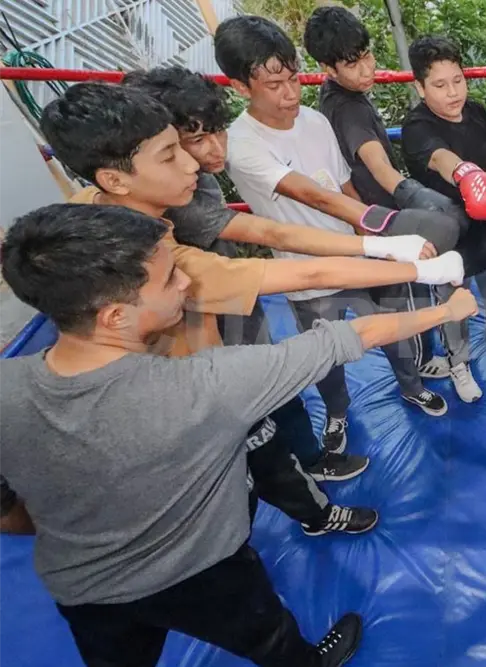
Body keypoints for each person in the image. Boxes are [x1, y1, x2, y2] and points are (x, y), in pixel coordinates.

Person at [0, 202, 477, 667]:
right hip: (207, 575)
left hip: (83, 593)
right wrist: (448, 308)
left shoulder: (7, 388)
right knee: (274, 644)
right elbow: (353, 337)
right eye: (170, 278)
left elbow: (8, 516)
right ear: (114, 316)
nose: (187, 282)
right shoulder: (209, 384)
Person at [39, 81, 463, 536]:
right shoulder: (161, 262)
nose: (194, 161)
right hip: (187, 416)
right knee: (221, 507)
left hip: (200, 385)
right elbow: (304, 271)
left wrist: (384, 245)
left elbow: (274, 236)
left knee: (268, 448)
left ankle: (313, 515)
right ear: (114, 178)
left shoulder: (93, 215)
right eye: (172, 153)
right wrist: (416, 270)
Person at [121, 65, 414, 480]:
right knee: (265, 401)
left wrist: (374, 239)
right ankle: (306, 477)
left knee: (275, 389)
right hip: (209, 340)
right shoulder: (152, 228)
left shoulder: (188, 184)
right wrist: (381, 241)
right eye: (188, 145)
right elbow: (269, 232)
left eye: (217, 131)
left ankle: (311, 466)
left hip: (234, 314)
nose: (215, 150)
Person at [215, 15, 453, 423]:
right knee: (326, 354)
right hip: (306, 272)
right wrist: (388, 234)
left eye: (292, 78)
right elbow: (313, 195)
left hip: (359, 253)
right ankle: (338, 416)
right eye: (274, 86)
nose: (290, 93)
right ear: (241, 87)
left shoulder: (316, 121)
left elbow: (343, 188)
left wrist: (373, 238)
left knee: (395, 324)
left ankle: (412, 387)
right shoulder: (241, 144)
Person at [304, 5, 466, 380]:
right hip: (379, 221)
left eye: (366, 56)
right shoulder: (348, 110)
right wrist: (413, 194)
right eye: (352, 64)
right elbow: (376, 163)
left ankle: (416, 361)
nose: (367, 69)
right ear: (329, 70)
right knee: (406, 292)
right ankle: (418, 368)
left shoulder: (340, 95)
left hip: (370, 216)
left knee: (404, 289)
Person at [401, 35, 486, 403]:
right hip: (447, 227)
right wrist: (466, 175)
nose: (452, 92)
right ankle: (458, 361)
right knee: (454, 298)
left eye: (457, 80)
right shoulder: (417, 127)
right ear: (420, 86)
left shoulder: (475, 111)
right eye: (440, 85)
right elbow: (441, 158)